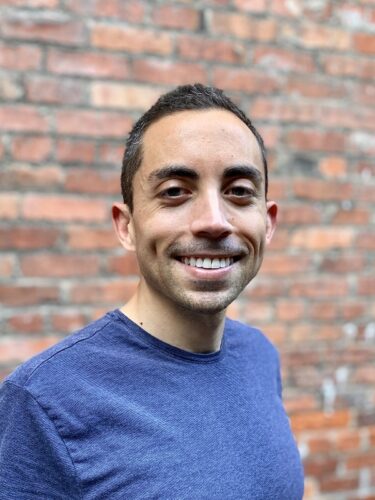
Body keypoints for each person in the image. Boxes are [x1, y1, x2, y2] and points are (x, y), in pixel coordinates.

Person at [0, 84, 304, 499]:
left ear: (267, 223)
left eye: (238, 191)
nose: (213, 221)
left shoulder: (259, 356)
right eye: (175, 192)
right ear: (127, 226)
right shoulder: (43, 399)